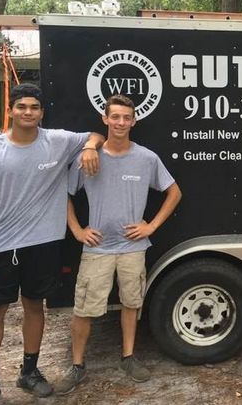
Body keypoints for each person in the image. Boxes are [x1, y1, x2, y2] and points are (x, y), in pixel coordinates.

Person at [0, 83, 104, 405]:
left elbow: (94, 134)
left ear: (41, 112)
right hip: (0, 245)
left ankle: (29, 372)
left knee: (34, 306)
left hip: (43, 242)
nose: (28, 112)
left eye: (34, 108)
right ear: (11, 110)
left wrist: (90, 148)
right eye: (22, 107)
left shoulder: (56, 141)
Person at [54, 94, 182, 395]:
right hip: (96, 248)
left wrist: (151, 225)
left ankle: (128, 357)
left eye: (127, 117)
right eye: (116, 117)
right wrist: (77, 230)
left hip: (132, 249)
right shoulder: (90, 158)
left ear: (134, 121)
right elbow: (63, 194)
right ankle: (76, 366)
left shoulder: (147, 158)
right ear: (105, 119)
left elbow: (174, 192)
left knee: (131, 303)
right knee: (83, 309)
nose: (121, 122)